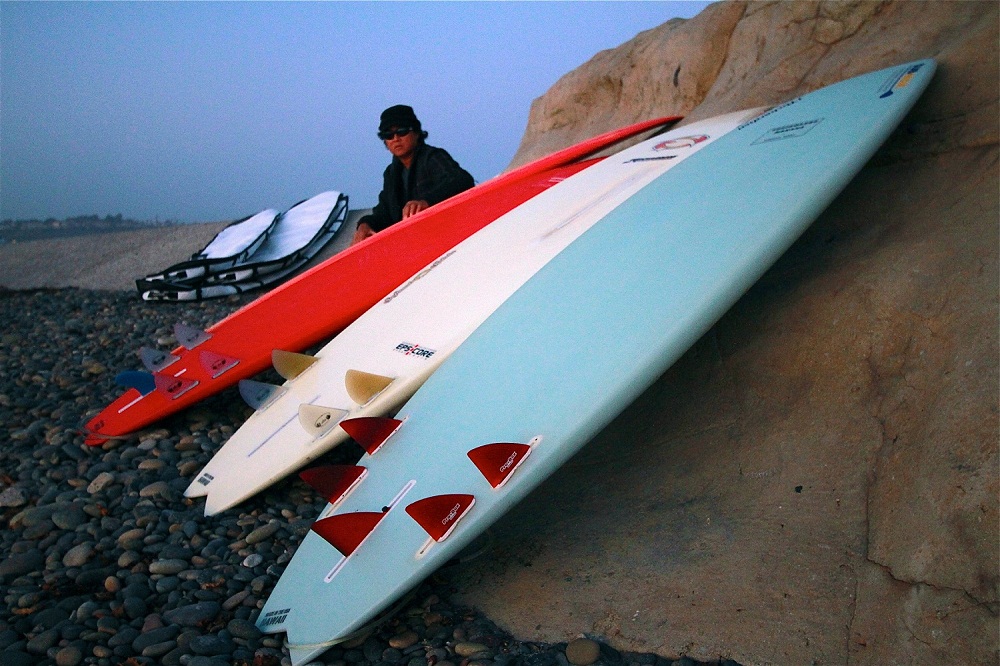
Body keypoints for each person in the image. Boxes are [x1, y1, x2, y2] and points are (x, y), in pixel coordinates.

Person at [351, 105, 475, 245]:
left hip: (451, 239)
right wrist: (365, 224)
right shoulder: (391, 174)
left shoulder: (432, 157)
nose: (396, 138)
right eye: (388, 135)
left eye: (402, 131)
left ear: (416, 133)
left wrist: (425, 202)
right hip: (416, 246)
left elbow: (462, 181)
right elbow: (384, 213)